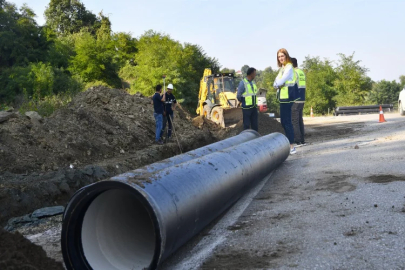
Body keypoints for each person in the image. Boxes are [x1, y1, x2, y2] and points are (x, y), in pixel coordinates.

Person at [273, 48, 296, 155]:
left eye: (282, 56)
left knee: (287, 122)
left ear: (286, 56)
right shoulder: (282, 69)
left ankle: (292, 145)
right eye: (279, 57)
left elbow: (280, 81)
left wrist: (278, 84)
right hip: (282, 98)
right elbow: (275, 83)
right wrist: (277, 84)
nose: (280, 58)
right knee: (283, 121)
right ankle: (289, 143)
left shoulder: (289, 67)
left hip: (287, 97)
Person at [291, 58, 306, 147]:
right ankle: (302, 140)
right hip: (302, 98)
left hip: (295, 99)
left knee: (294, 121)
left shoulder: (293, 73)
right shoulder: (301, 72)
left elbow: (292, 86)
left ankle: (297, 141)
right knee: (300, 120)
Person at [237, 67, 258, 131]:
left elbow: (255, 94)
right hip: (246, 108)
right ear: (251, 74)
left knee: (255, 125)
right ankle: (247, 138)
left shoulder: (253, 83)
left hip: (254, 107)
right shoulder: (242, 83)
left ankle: (255, 138)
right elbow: (238, 95)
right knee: (246, 125)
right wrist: (243, 101)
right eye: (254, 73)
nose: (255, 75)